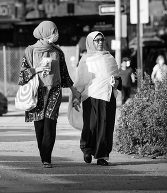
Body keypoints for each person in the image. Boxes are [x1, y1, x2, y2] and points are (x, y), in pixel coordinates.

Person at [18, 21, 80, 168]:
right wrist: (37, 69)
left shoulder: (58, 52)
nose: (55, 35)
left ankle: (47, 158)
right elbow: (22, 75)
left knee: (50, 124)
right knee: (39, 126)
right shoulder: (30, 51)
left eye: (56, 31)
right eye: (53, 32)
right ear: (44, 34)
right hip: (36, 91)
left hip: (54, 90)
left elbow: (64, 74)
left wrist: (74, 91)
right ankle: (43, 154)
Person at [67, 31, 122, 166]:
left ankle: (102, 156)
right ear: (91, 42)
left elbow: (117, 77)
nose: (100, 42)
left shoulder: (110, 58)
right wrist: (76, 98)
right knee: (90, 126)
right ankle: (87, 149)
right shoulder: (85, 59)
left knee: (105, 126)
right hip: (90, 97)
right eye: (96, 40)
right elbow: (80, 81)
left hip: (107, 96)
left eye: (102, 40)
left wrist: (116, 83)